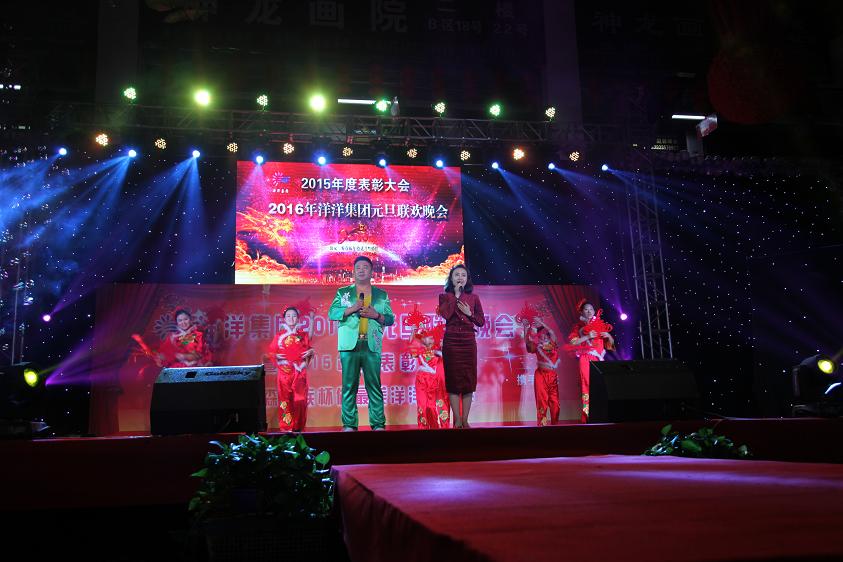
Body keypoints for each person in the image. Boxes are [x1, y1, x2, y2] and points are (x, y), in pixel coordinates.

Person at [328, 256, 395, 431]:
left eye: (365, 267)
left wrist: (376, 315)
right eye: (358, 267)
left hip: (371, 344)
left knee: (374, 385)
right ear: (353, 271)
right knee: (349, 386)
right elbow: (332, 313)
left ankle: (378, 424)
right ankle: (349, 425)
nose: (361, 270)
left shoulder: (381, 295)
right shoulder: (343, 292)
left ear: (371, 272)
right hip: (349, 345)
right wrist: (352, 308)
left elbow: (390, 319)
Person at [438, 264, 484, 428]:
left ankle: (465, 420)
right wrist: (456, 296)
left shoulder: (474, 298)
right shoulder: (444, 297)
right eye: (456, 275)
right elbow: (446, 314)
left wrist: (469, 313)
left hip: (468, 342)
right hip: (451, 342)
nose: (460, 278)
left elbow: (481, 321)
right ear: (451, 279)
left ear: (467, 279)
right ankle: (457, 420)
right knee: (453, 382)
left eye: (463, 275)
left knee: (468, 382)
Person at [267, 307, 315, 432]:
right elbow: (271, 353)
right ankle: (287, 428)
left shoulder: (302, 335)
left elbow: (310, 341)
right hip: (284, 374)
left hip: (299, 373)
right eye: (288, 316)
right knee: (285, 400)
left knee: (300, 400)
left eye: (294, 315)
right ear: (284, 319)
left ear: (298, 318)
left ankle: (298, 427)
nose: (291, 318)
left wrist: (311, 351)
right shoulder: (279, 336)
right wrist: (276, 356)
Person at [568, 300, 614, 423]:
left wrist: (609, 336)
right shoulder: (578, 326)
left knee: (600, 387)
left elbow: (610, 345)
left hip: (599, 360)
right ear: (582, 312)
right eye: (586, 309)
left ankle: (601, 415)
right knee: (587, 387)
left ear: (594, 311)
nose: (589, 311)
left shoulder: (600, 324)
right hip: (586, 358)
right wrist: (588, 336)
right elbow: (573, 343)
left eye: (591, 309)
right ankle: (587, 417)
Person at [407, 320, 449, 429]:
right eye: (426, 337)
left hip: (437, 381)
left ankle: (442, 428)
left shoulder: (438, 350)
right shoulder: (420, 349)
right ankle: (423, 429)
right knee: (423, 406)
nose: (428, 339)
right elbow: (411, 347)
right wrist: (414, 331)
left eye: (431, 337)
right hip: (422, 381)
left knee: (438, 406)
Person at [524, 318, 561, 426]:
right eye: (541, 335)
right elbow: (527, 342)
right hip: (540, 375)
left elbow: (552, 332)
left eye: (545, 335)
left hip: (552, 376)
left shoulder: (553, 344)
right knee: (541, 402)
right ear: (538, 337)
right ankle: (542, 426)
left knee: (555, 403)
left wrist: (542, 323)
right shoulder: (537, 347)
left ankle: (555, 425)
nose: (543, 337)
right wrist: (526, 328)